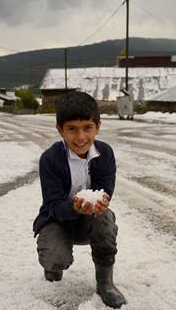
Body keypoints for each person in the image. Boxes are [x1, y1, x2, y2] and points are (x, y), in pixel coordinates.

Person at [33, 91, 127, 308]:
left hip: (90, 221)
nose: (80, 137)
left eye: (87, 128)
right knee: (56, 258)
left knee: (105, 218)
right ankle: (53, 265)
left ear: (98, 127)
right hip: (57, 220)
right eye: (72, 129)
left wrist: (101, 202)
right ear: (60, 130)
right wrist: (74, 206)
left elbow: (106, 189)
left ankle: (105, 282)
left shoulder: (105, 153)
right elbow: (53, 205)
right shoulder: (50, 159)